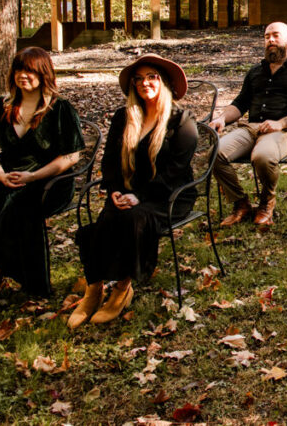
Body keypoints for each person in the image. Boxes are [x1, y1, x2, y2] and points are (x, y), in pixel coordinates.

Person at [69, 54, 198, 328]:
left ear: (164, 82)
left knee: (132, 217)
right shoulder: (124, 117)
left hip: (169, 194)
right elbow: (110, 162)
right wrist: (116, 189)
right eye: (138, 79)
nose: (144, 83)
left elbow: (175, 171)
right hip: (127, 190)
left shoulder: (182, 122)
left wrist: (139, 195)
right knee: (107, 218)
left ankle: (122, 288)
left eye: (152, 77)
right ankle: (94, 289)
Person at [0, 47, 84, 321]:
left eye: (30, 70)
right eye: (19, 69)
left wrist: (34, 176)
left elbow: (72, 155)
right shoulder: (2, 105)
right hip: (7, 177)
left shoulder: (59, 108)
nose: (23, 75)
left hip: (48, 181)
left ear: (44, 73)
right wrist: (0, 175)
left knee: (12, 211)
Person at [211, 22, 287, 228]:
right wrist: (222, 119)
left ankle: (266, 204)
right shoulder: (255, 72)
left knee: (262, 157)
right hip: (251, 128)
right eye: (266, 36)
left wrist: (281, 122)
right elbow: (240, 103)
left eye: (275, 36)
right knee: (214, 153)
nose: (270, 40)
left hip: (283, 132)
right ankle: (240, 203)